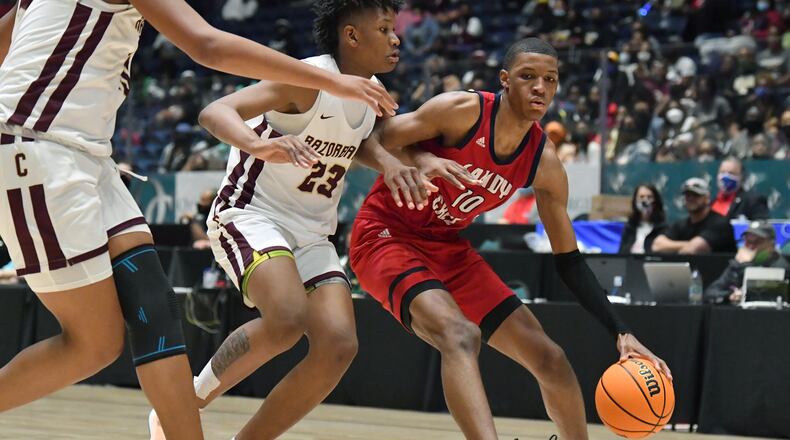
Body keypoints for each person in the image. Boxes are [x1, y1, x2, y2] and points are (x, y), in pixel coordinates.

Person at [0, 1, 395, 439]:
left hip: (91, 157)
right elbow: (206, 44)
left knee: (157, 313)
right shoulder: (322, 77)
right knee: (93, 344)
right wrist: (330, 80)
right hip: (37, 148)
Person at [349, 38, 670, 440]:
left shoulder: (543, 161)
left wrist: (620, 331)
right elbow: (367, 139)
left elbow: (568, 260)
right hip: (386, 234)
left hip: (447, 246)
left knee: (552, 360)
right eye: (528, 76)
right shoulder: (462, 111)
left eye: (549, 80)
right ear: (505, 80)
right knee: (460, 335)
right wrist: (424, 159)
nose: (540, 87)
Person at [148, 1, 427, 439]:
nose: (397, 38)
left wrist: (388, 163)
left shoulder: (370, 91)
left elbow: (354, 140)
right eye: (385, 28)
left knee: (338, 345)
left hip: (313, 232)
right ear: (351, 36)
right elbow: (215, 112)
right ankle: (182, 403)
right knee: (286, 318)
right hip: (252, 213)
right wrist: (256, 146)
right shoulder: (305, 79)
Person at [704, 221, 789, 304]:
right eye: (748, 242)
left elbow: (757, 296)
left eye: (757, 242)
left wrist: (745, 265)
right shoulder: (737, 264)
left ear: (771, 245)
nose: (751, 246)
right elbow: (710, 293)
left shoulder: (780, 266)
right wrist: (730, 295)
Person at [652, 178, 737, 255]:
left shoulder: (720, 223)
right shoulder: (681, 225)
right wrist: (687, 244)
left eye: (696, 195)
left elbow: (693, 249)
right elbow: (657, 245)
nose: (690, 198)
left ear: (707, 198)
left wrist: (672, 247)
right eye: (687, 195)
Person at [711, 156, 770, 221]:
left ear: (741, 177)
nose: (725, 176)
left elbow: (762, 227)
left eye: (731, 173)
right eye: (722, 172)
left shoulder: (753, 201)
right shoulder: (711, 203)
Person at [618, 184, 668, 254]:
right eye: (641, 197)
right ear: (635, 201)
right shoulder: (629, 227)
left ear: (655, 201)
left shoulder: (662, 227)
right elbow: (622, 253)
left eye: (649, 197)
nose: (645, 200)